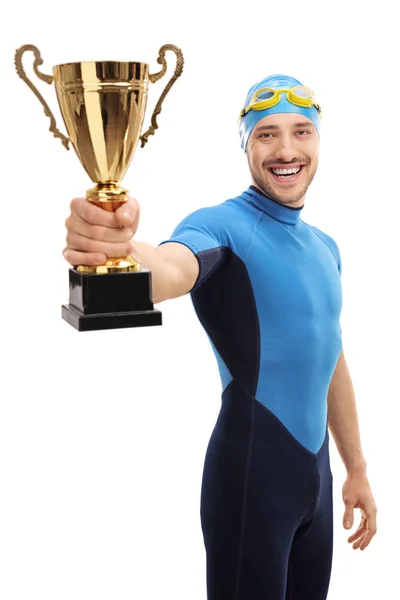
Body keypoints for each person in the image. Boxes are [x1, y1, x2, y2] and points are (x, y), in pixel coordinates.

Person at [63, 74, 377, 599]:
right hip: (252, 482)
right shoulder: (221, 226)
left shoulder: (326, 246)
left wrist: (357, 470)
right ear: (246, 144)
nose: (286, 149)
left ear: (318, 141)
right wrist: (119, 245)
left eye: (302, 132)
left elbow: (329, 355)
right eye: (266, 134)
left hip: (316, 489)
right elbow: (170, 268)